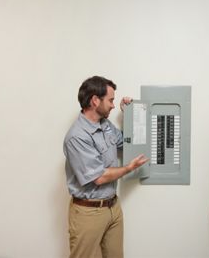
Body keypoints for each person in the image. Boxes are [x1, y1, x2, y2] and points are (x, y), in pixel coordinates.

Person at [63, 76, 148, 258]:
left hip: (113, 208)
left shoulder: (105, 125)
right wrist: (128, 168)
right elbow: (98, 177)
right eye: (110, 100)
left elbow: (126, 143)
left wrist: (130, 113)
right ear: (95, 100)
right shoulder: (77, 136)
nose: (112, 105)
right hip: (88, 213)